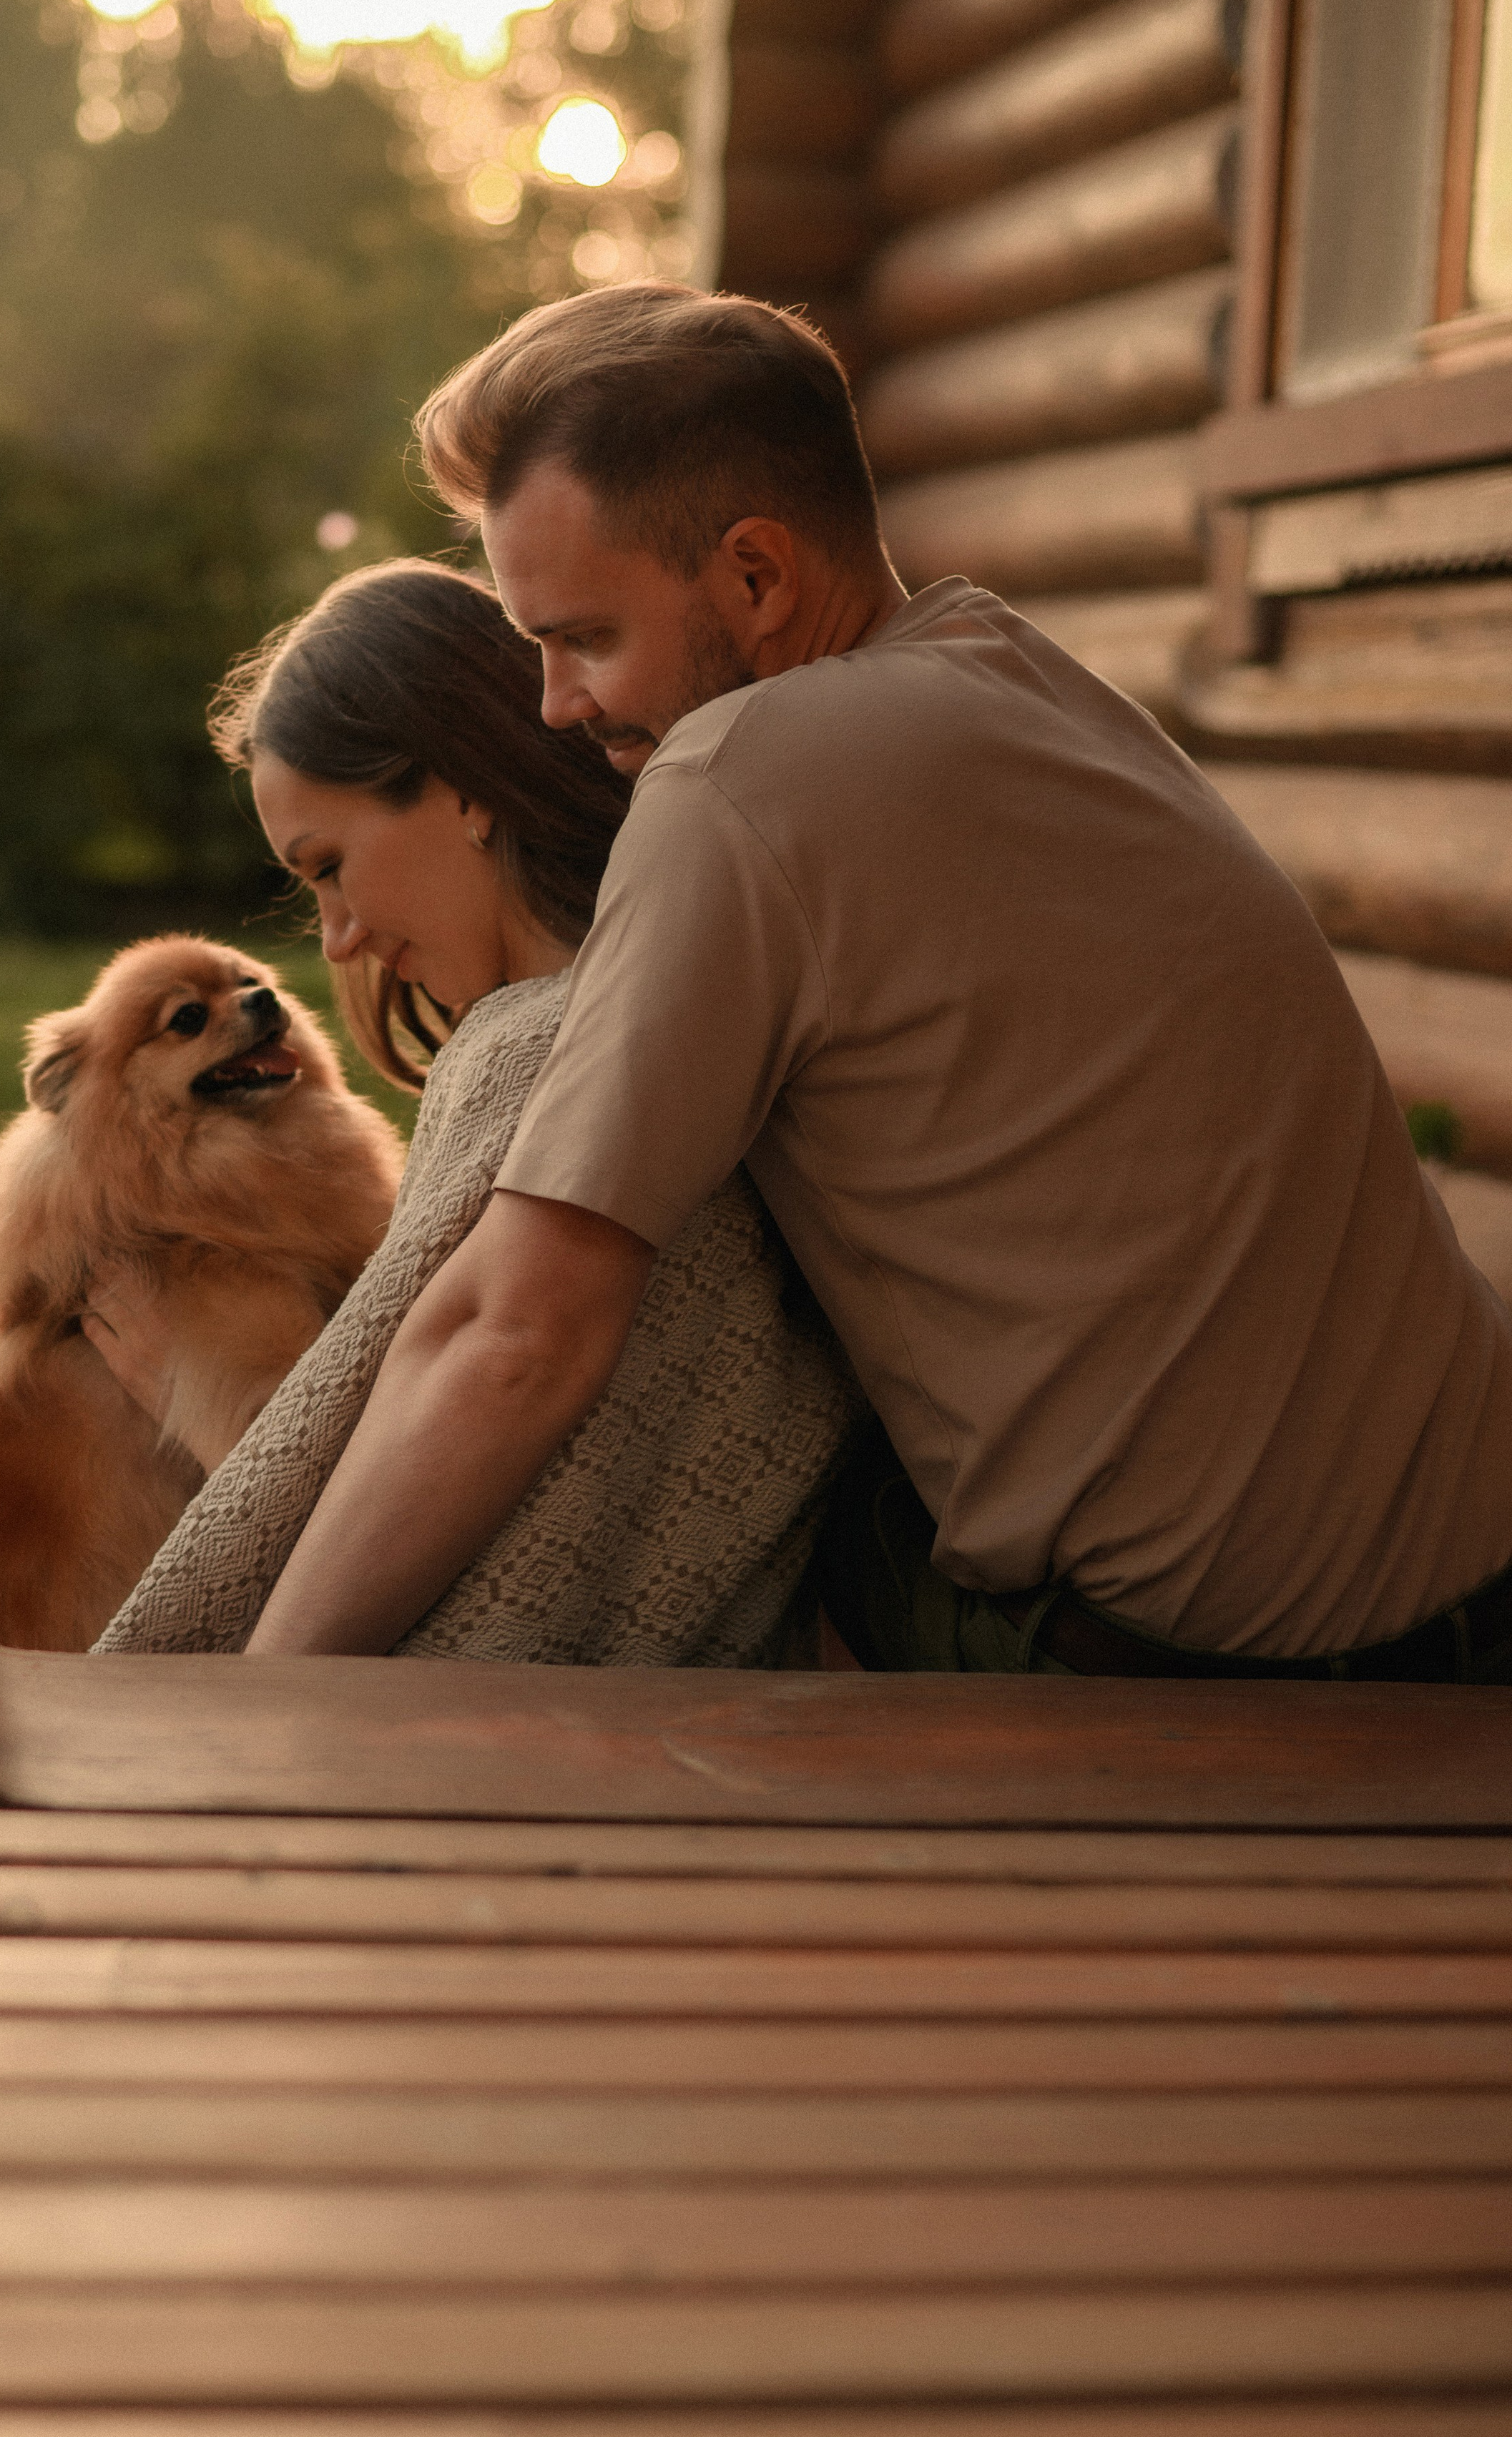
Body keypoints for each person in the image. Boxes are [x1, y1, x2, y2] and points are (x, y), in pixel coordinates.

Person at [229, 281, 1512, 1684]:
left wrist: (276, 1697)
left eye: (582, 638)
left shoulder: (733, 781)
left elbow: (518, 1334)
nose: (552, 703)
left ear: (758, 578)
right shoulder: (1008, 668)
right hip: (1475, 1549)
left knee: (741, 1431)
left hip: (1231, 1668)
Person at [89, 557, 860, 1664]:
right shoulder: (678, 999)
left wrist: (253, 1693)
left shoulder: (540, 1050)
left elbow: (463, 1396)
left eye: (332, 868)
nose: (340, 937)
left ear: (459, 788)